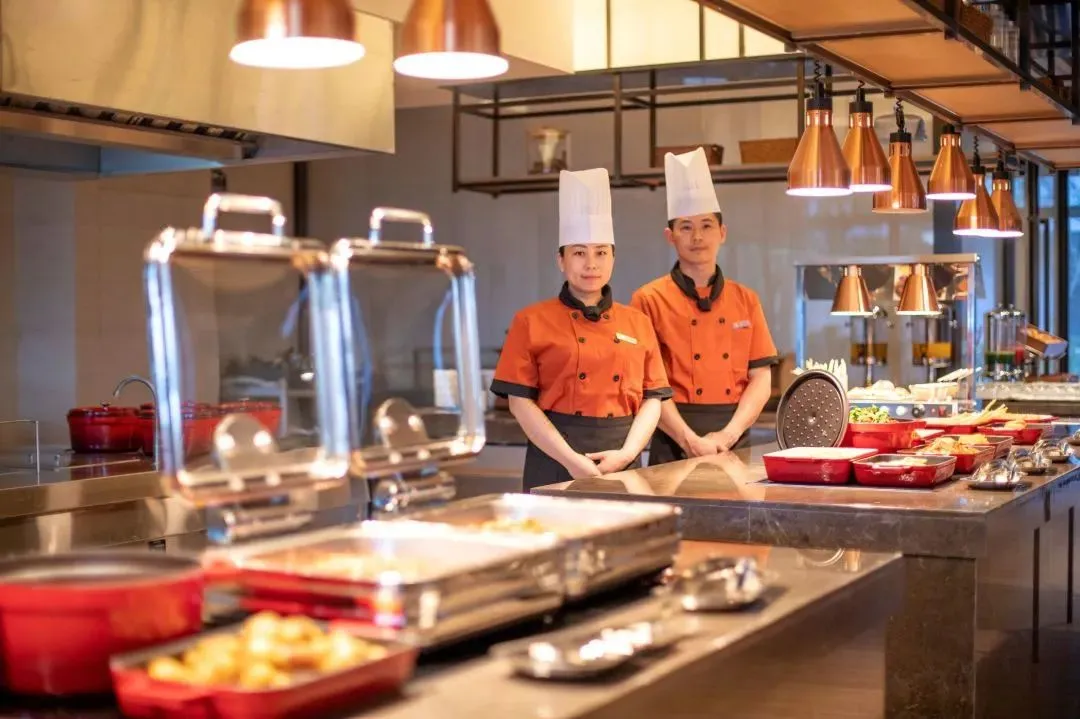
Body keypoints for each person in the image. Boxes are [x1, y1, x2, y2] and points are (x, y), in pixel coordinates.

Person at [491, 167, 673, 491]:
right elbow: (519, 402)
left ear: (613, 258)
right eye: (579, 253)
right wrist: (572, 460)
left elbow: (653, 399)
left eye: (601, 252)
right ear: (561, 260)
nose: (591, 264)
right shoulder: (530, 321)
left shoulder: (638, 322)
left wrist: (628, 453)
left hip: (622, 458)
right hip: (554, 459)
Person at [631, 147, 779, 464]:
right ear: (670, 236)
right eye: (686, 227)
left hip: (734, 438)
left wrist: (728, 435)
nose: (697, 236)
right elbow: (646, 384)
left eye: (707, 225)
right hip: (672, 437)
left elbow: (761, 378)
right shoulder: (648, 299)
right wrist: (688, 439)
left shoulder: (746, 299)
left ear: (722, 233)